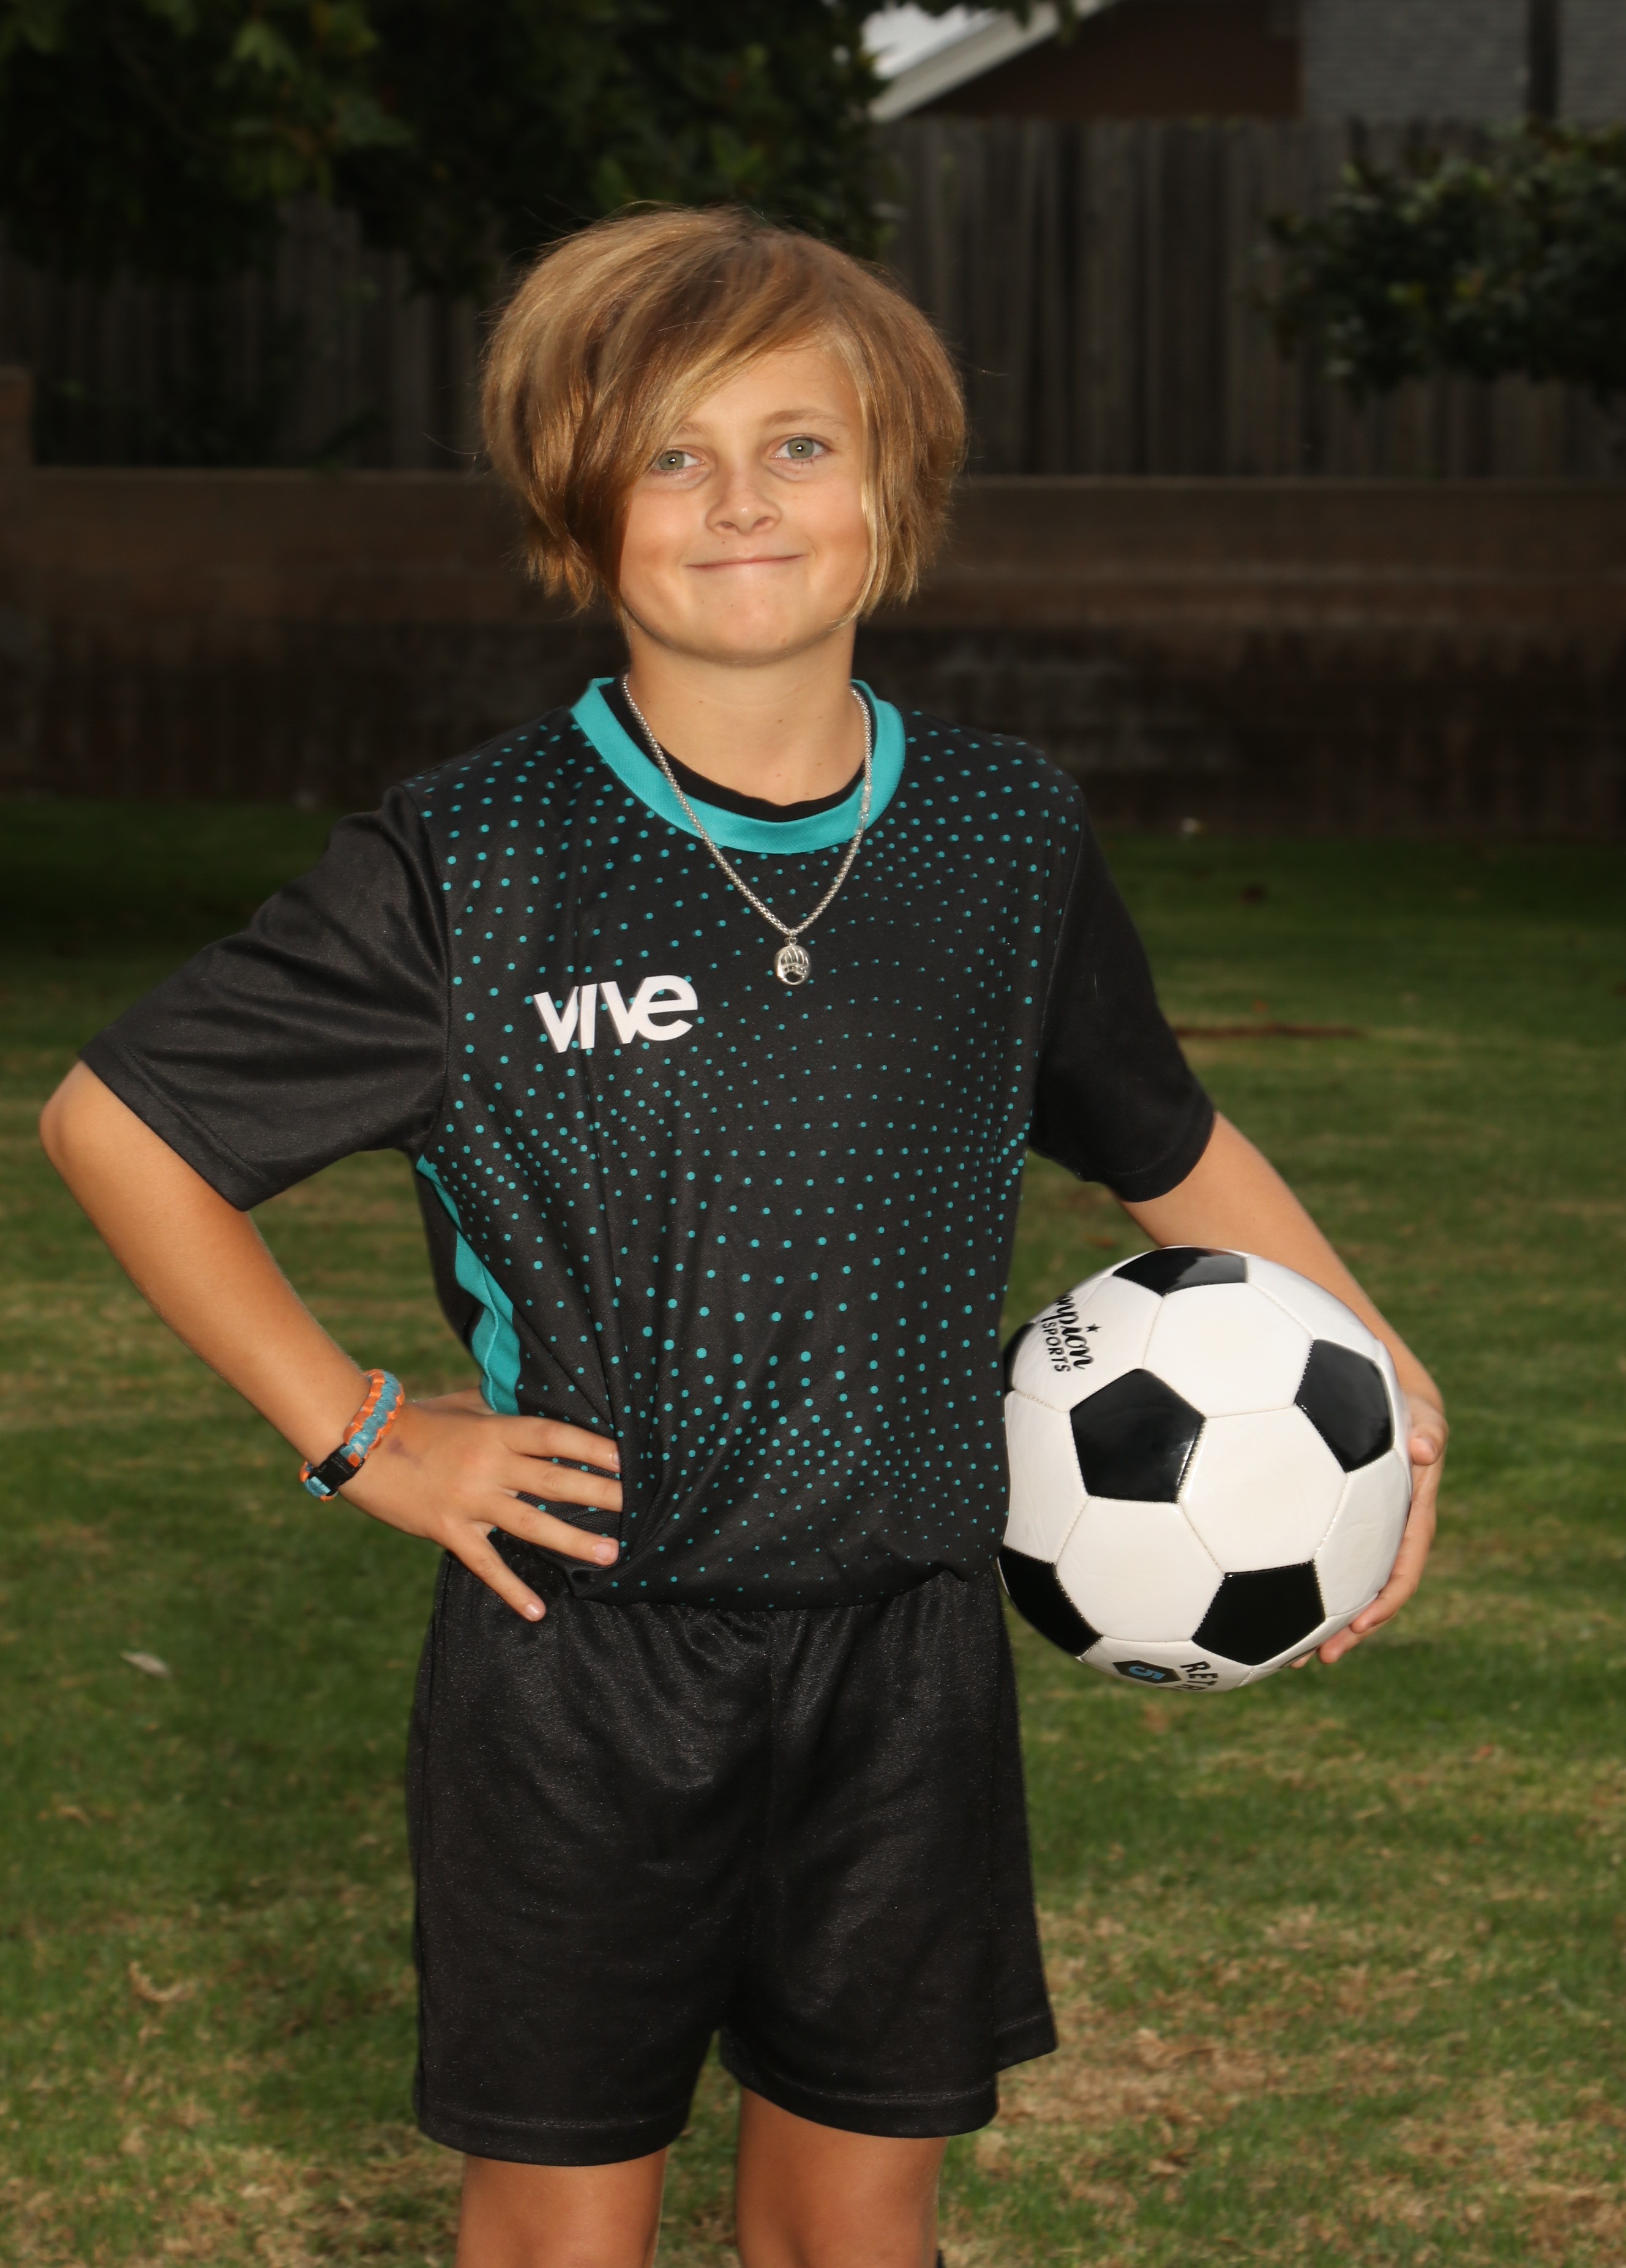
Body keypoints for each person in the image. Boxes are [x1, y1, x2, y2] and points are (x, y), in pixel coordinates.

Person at [40, 208, 1446, 2268]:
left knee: (855, 2227)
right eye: (672, 455)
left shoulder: (1003, 837)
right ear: (575, 504)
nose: (741, 502)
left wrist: (1381, 1381)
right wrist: (361, 1434)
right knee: (560, 2231)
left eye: (800, 445)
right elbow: (120, 1126)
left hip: (908, 1653)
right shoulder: (471, 860)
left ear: (896, 489)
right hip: (581, 1660)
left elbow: (1164, 1137)